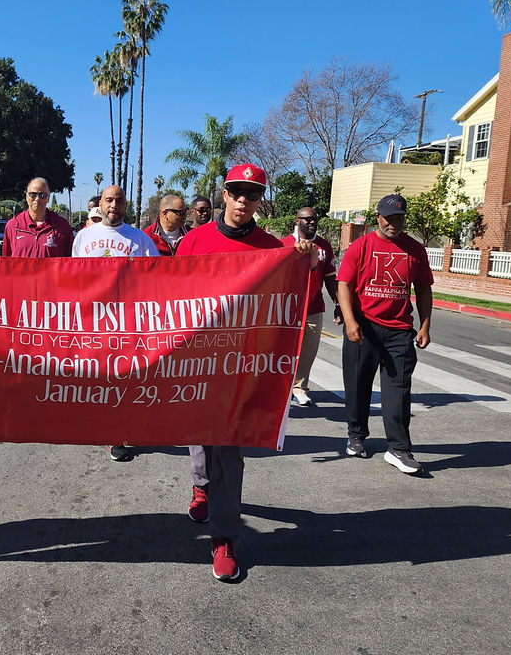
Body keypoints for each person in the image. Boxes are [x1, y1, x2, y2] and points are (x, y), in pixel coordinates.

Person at [176, 163, 317, 581]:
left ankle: (225, 537)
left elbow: (291, 299)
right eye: (236, 191)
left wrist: (302, 262)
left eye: (252, 194)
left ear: (259, 200)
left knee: (228, 448)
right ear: (223, 194)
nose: (243, 200)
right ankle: (201, 485)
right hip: (195, 359)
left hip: (240, 365)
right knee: (199, 435)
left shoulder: (271, 248)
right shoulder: (193, 241)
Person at [337, 194, 433, 475]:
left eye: (400, 218)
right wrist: (351, 320)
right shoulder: (361, 246)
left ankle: (399, 449)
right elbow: (344, 284)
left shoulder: (415, 250)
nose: (394, 223)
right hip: (363, 326)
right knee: (357, 385)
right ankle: (356, 436)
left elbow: (424, 288)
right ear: (378, 217)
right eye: (389, 218)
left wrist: (426, 324)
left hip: (399, 331)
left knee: (398, 391)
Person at [73, 184, 159, 461]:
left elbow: (156, 279)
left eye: (119, 201)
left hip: (128, 324)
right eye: (109, 200)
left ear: (126, 205)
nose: (114, 205)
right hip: (93, 322)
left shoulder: (141, 239)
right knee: (95, 376)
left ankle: (116, 434)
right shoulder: (84, 237)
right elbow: (72, 280)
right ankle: (94, 425)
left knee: (122, 380)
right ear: (100, 203)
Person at [280, 207, 341, 406]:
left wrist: (338, 303)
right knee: (284, 350)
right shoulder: (283, 244)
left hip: (313, 307)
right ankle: (281, 387)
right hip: (286, 309)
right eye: (307, 219)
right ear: (298, 221)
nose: (311, 223)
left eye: (314, 219)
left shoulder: (324, 246)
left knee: (308, 350)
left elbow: (331, 278)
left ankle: (299, 387)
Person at [2, 177, 73, 257]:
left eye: (43, 195)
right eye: (33, 194)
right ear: (26, 197)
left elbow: (69, 262)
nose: (37, 199)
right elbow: (6, 262)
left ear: (48, 198)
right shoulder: (13, 225)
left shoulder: (62, 226)